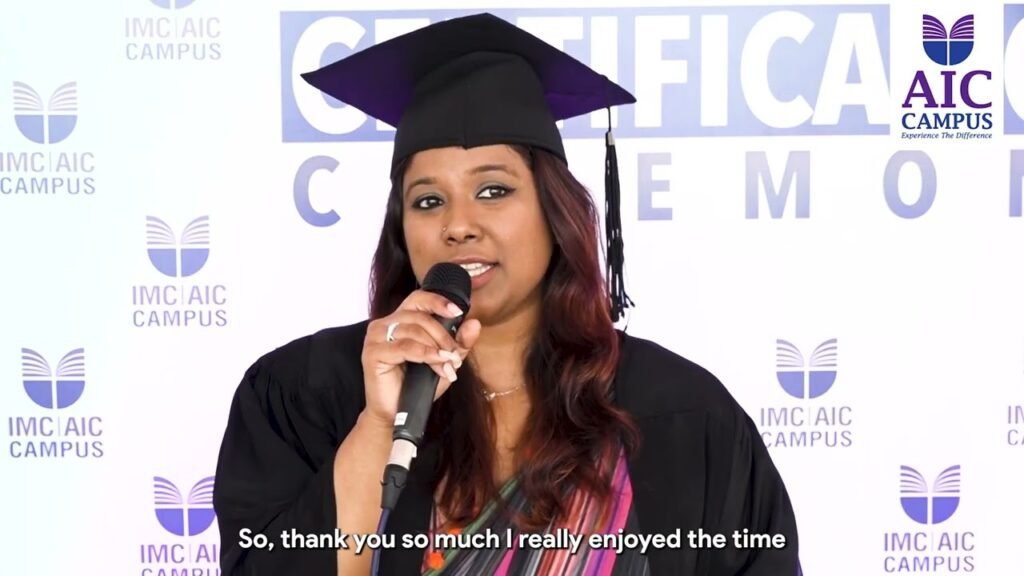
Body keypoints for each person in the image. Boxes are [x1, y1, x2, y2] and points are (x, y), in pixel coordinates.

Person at [212, 12, 800, 576]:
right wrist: (379, 424)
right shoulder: (307, 394)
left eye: (493, 190)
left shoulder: (679, 411)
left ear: (554, 211)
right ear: (400, 229)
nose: (458, 225)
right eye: (427, 200)